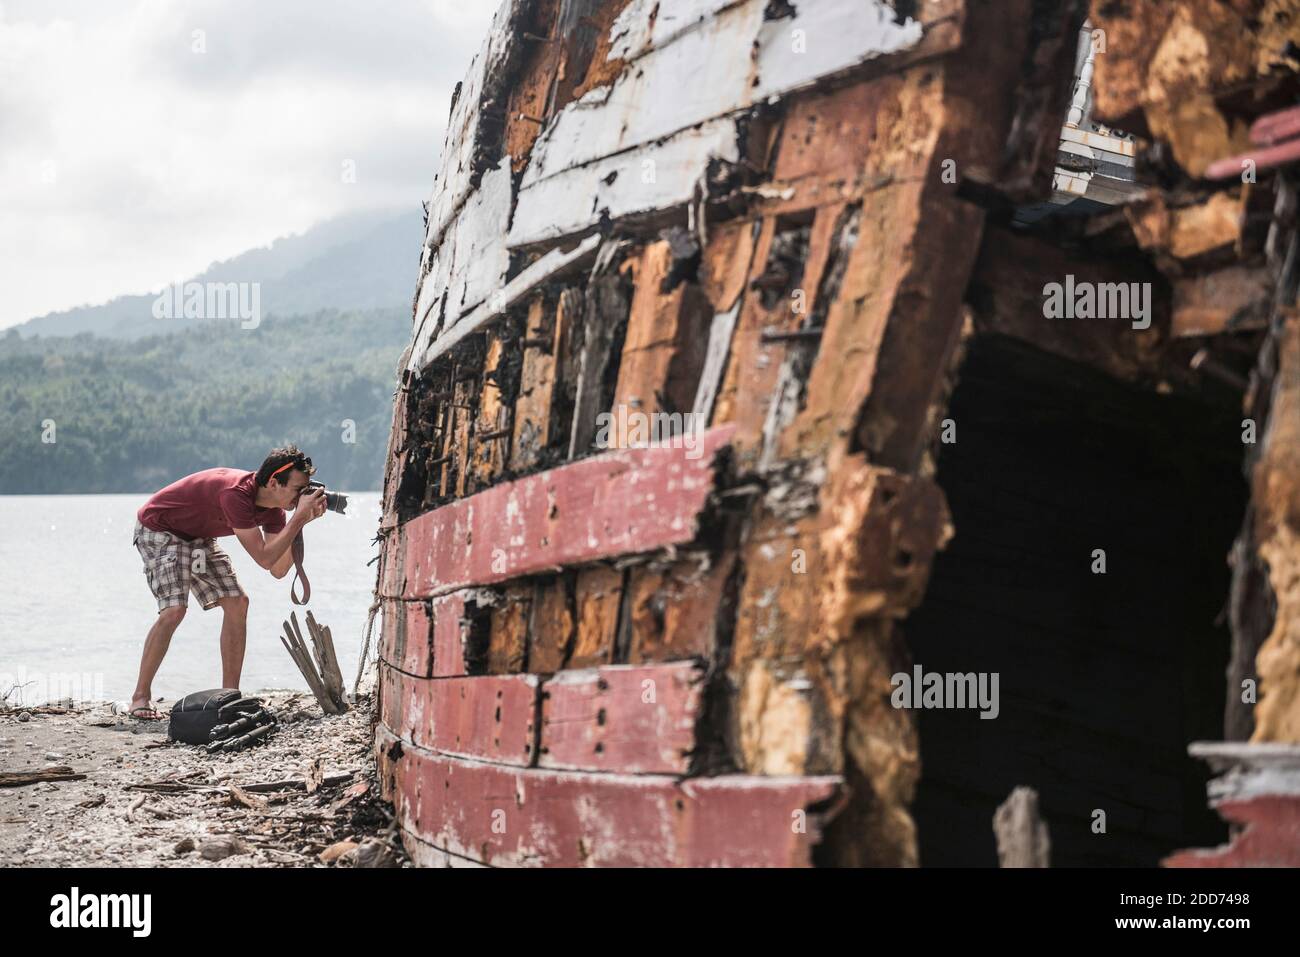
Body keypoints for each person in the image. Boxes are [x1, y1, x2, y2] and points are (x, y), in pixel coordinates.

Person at [126, 445, 327, 719]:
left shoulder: (274, 509)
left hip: (198, 537)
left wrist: (301, 521)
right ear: (273, 482)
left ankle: (229, 697)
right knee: (174, 610)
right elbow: (265, 558)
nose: (301, 496)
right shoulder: (236, 495)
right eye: (297, 489)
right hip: (160, 529)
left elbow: (278, 569)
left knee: (237, 603)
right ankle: (140, 698)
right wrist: (298, 518)